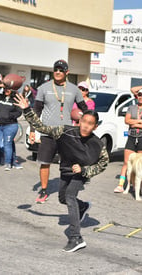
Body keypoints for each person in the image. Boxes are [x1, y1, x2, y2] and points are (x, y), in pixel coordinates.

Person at [14, 92, 109, 252]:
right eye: (84, 121)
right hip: (66, 170)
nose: (86, 126)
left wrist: (85, 170)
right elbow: (41, 127)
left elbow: (103, 164)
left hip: (81, 173)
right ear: (79, 121)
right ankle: (83, 206)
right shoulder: (64, 131)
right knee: (63, 198)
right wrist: (27, 109)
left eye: (90, 123)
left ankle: (76, 238)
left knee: (70, 196)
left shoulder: (97, 144)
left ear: (95, 126)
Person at [29, 60, 88, 203]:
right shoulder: (44, 88)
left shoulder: (74, 89)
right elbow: (36, 110)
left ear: (67, 72)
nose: (58, 72)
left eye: (61, 70)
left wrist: (91, 122)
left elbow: (85, 108)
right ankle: (43, 190)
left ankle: (67, 189)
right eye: (56, 69)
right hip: (48, 132)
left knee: (67, 163)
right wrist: (32, 130)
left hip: (66, 133)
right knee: (45, 162)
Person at [114, 89, 142, 193]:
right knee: (126, 162)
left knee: (139, 163)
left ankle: (137, 185)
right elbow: (127, 120)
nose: (140, 97)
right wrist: (140, 121)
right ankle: (121, 185)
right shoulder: (131, 108)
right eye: (139, 95)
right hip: (132, 137)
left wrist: (135, 124)